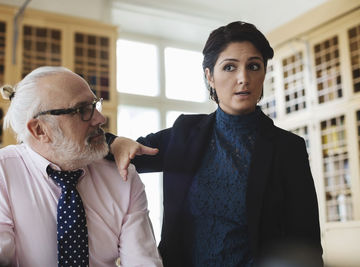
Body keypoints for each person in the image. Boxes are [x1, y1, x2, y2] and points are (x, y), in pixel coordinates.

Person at [106, 21, 323, 267]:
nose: (243, 78)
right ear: (209, 76)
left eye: (253, 66)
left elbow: (307, 244)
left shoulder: (288, 148)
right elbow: (108, 154)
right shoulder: (184, 134)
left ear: (264, 73)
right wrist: (115, 142)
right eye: (229, 67)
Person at [0, 66, 163, 267]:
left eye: (94, 105)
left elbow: (143, 263)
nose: (100, 119)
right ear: (40, 129)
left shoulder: (123, 177)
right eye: (82, 110)